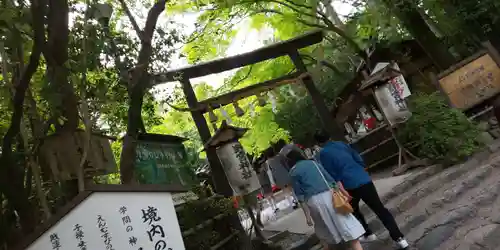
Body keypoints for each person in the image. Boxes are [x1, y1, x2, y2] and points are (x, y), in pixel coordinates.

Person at [314, 132, 409, 250]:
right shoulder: (342, 145)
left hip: (348, 185)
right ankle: (400, 239)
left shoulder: (323, 154)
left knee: (353, 210)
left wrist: (343, 192)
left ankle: (368, 233)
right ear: (329, 137)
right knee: (380, 209)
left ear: (318, 143)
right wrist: (362, 170)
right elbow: (358, 158)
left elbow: (333, 175)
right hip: (364, 179)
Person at [282, 146, 365, 250]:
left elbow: (301, 197)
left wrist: (307, 216)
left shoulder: (293, 172)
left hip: (314, 202)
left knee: (324, 233)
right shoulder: (314, 163)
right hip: (330, 196)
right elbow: (331, 180)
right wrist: (342, 193)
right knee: (346, 226)